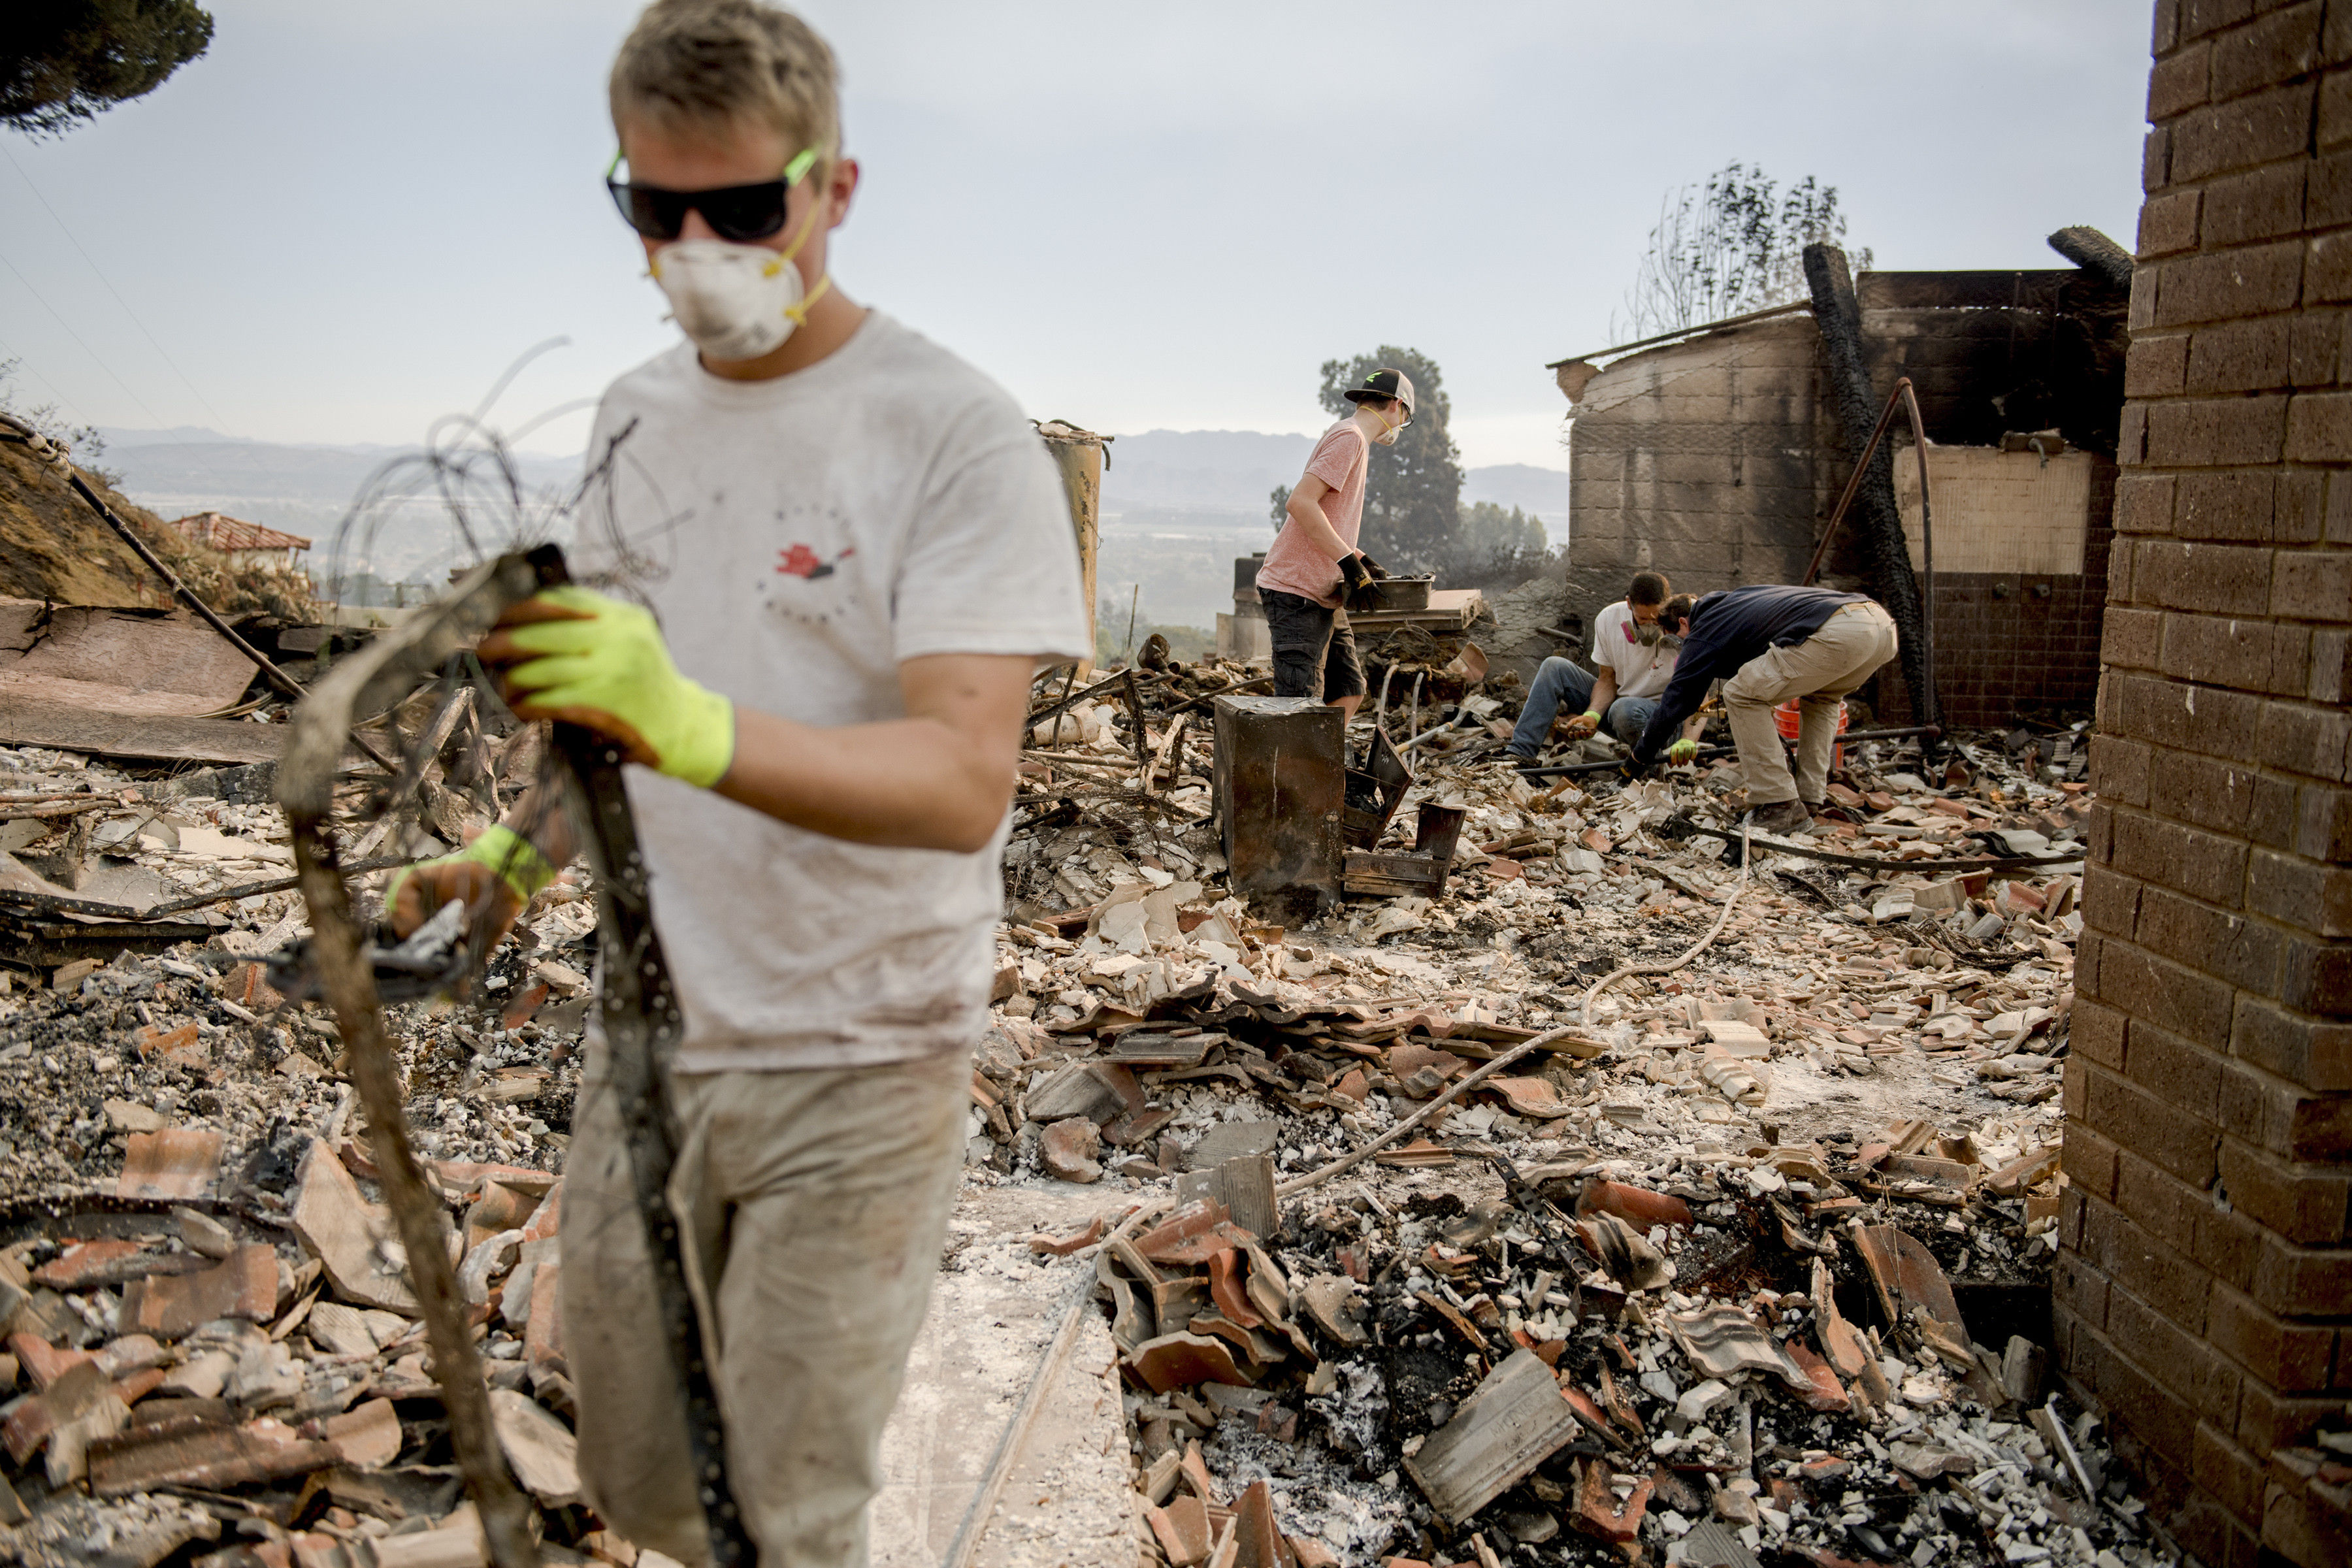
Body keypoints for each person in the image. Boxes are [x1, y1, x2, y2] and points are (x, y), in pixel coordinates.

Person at [379, 3, 1090, 1562]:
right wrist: (508, 858)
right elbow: (610, 717)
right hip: (654, 1024)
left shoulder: (951, 433)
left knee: (782, 1510)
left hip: (861, 1048)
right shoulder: (641, 415)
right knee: (643, 1479)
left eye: (745, 208)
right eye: (656, 208)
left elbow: (963, 778)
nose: (698, 245)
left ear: (834, 188)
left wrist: (686, 719)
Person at [1626, 584, 1899, 836]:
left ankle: (1779, 803)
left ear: (1684, 622)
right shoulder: (1735, 605)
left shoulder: (1705, 625)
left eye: (1679, 640)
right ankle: (1808, 798)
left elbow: (1679, 699)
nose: (1684, 649)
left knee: (1741, 695)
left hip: (1840, 631)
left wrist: (1639, 757)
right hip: (1879, 627)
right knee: (1822, 698)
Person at [1254, 368, 1415, 716]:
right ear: (1397, 406)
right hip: (1297, 594)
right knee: (1300, 710)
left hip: (1323, 593)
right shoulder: (1350, 438)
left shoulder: (1351, 437)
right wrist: (1349, 564)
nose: (1401, 425)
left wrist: (1361, 557)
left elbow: (1326, 513)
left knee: (1349, 693)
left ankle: (1322, 767)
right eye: (1405, 417)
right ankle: (1296, 769)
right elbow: (1300, 503)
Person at [1506, 570, 1705, 766]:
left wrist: (1689, 739)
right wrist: (1592, 715)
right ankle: (1519, 755)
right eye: (1643, 620)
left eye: (1656, 619)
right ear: (1629, 604)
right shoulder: (1609, 619)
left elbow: (1699, 691)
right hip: (1619, 712)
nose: (1650, 626)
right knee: (1554, 667)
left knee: (1624, 708)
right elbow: (1607, 679)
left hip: (1664, 721)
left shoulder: (1684, 626)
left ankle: (1647, 769)